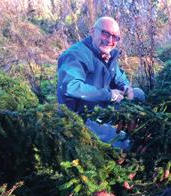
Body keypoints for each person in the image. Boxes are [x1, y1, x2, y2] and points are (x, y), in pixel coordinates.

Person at [56, 16, 145, 149]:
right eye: (105, 33)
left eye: (115, 37)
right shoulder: (76, 55)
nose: (110, 40)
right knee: (126, 144)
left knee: (139, 94)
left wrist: (127, 89)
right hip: (81, 117)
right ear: (92, 32)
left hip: (102, 110)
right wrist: (108, 95)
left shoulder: (108, 55)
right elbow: (71, 87)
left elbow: (119, 79)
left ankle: (130, 128)